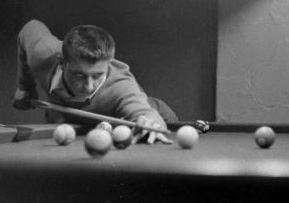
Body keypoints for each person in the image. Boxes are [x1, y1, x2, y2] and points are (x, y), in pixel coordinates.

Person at [13, 19, 178, 143]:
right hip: (66, 122)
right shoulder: (43, 54)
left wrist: (150, 122)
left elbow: (143, 113)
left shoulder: (121, 87)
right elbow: (30, 28)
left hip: (156, 113)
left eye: (98, 75)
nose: (89, 86)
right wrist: (25, 88)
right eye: (79, 75)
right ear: (62, 62)